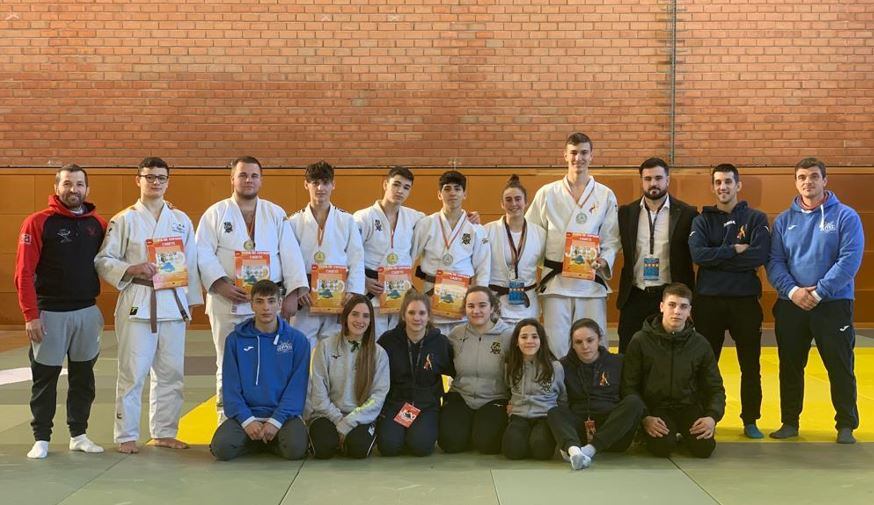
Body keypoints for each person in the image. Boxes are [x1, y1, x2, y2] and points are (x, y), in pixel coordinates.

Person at [95, 157, 203, 454]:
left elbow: (191, 264)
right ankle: (126, 434)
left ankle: (165, 431)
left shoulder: (181, 219)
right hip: (138, 303)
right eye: (149, 177)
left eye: (161, 177)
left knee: (171, 373)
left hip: (173, 303)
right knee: (132, 372)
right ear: (138, 180)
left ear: (168, 181)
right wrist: (131, 269)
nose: (155, 182)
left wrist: (191, 303)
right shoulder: (124, 219)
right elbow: (103, 260)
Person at [196, 156, 308, 420]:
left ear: (261, 179)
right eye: (243, 175)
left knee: (270, 360)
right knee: (227, 361)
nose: (248, 180)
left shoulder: (275, 213)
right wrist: (220, 284)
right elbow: (201, 253)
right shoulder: (215, 213)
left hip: (268, 302)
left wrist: (292, 294)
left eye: (254, 175)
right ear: (232, 179)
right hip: (228, 300)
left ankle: (270, 417)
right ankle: (227, 419)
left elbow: (290, 253)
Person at [767, 158, 864, 444]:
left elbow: (849, 261)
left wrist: (820, 292)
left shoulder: (846, 217)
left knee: (839, 365)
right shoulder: (784, 221)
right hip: (791, 304)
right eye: (801, 177)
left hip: (833, 305)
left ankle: (845, 425)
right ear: (795, 182)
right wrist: (794, 291)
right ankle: (790, 422)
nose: (807, 182)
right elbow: (774, 262)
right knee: (790, 365)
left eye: (813, 176)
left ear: (825, 180)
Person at [15, 164, 107, 459]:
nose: (73, 190)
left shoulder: (98, 224)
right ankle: (41, 437)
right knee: (45, 378)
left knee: (83, 378)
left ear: (87, 189)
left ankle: (78, 434)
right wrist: (31, 314)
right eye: (67, 184)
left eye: (79, 184)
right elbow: (24, 272)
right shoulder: (38, 222)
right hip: (49, 314)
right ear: (57, 188)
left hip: (87, 313)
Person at [689, 163, 770, 439]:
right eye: (718, 183)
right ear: (713, 187)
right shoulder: (701, 220)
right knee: (704, 364)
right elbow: (698, 256)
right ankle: (702, 417)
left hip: (745, 302)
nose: (722, 187)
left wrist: (717, 258)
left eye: (727, 182)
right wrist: (733, 250)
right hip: (708, 302)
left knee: (751, 364)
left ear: (738, 185)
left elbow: (758, 256)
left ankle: (750, 419)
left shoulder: (756, 219)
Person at [526, 132, 620, 356]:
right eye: (574, 153)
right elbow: (532, 234)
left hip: (590, 283)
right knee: (556, 345)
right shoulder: (547, 193)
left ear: (592, 156)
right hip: (556, 281)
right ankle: (557, 390)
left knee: (592, 344)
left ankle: (595, 389)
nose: (579, 158)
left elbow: (612, 237)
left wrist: (604, 260)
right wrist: (545, 263)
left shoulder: (605, 195)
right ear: (565, 156)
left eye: (584, 153)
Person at [621, 283, 725, 458]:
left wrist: (711, 417)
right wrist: (645, 418)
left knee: (704, 449)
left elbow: (715, 387)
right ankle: (653, 435)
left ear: (689, 310)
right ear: (662, 307)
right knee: (662, 448)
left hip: (688, 406)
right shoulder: (640, 340)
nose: (677, 311)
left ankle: (682, 434)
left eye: (683, 306)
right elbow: (628, 386)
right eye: (672, 305)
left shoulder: (700, 344)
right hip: (656, 409)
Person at [210, 280, 310, 461]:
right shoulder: (235, 340)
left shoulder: (297, 341)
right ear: (251, 304)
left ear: (280, 304)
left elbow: (297, 388)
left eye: (271, 301)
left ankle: (264, 440)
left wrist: (276, 420)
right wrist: (247, 420)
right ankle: (259, 440)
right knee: (221, 449)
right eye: (260, 301)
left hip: (283, 416)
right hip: (247, 415)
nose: (266, 308)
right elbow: (231, 388)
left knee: (295, 449)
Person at [617, 157, 697, 353]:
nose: (653, 183)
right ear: (642, 181)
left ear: (668, 180)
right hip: (634, 294)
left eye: (659, 178)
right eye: (648, 178)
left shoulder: (687, 213)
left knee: (669, 355)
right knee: (628, 354)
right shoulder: (626, 213)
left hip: (669, 295)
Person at [547, 319, 645, 470]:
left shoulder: (618, 362)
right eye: (578, 342)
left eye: (590, 340)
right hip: (579, 433)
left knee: (634, 401)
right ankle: (574, 451)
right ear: (572, 344)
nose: (585, 346)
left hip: (613, 434)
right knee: (553, 411)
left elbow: (630, 392)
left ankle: (589, 451)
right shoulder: (563, 365)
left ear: (599, 339)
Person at [288, 160, 365, 351]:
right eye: (315, 183)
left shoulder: (347, 220)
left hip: (338, 297)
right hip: (306, 297)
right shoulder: (294, 221)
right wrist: (298, 288)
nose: (320, 188)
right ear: (306, 185)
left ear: (333, 184)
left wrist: (353, 293)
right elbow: (289, 260)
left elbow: (356, 258)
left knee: (335, 350)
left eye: (325, 182)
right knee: (302, 349)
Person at [306, 295, 390, 459]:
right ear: (346, 316)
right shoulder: (325, 347)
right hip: (327, 415)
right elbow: (318, 392)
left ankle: (346, 441)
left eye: (366, 316)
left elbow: (378, 396)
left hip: (360, 418)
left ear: (371, 321)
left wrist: (350, 421)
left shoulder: (379, 353)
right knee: (322, 449)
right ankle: (336, 441)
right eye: (355, 314)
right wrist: (338, 420)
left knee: (358, 449)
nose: (360, 320)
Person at [412, 170, 490, 336]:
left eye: (457, 188)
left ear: (465, 194)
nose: (452, 193)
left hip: (462, 299)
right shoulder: (426, 224)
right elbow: (409, 258)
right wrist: (410, 291)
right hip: (431, 295)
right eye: (447, 189)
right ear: (439, 194)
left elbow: (483, 267)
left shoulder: (475, 228)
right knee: (433, 351)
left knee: (460, 352)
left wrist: (479, 301)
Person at [377, 290, 455, 456]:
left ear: (428, 316)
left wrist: (446, 398)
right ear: (404, 315)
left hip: (426, 405)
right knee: (389, 447)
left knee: (421, 447)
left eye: (422, 313)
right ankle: (400, 433)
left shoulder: (440, 343)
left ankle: (414, 433)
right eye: (411, 312)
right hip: (395, 403)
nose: (416, 318)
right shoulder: (388, 341)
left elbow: (455, 372)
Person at [439, 286, 514, 454]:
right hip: (461, 395)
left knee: (487, 445)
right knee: (450, 444)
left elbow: (518, 372)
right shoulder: (456, 335)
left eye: (482, 305)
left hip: (494, 398)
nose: (476, 311)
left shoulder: (507, 336)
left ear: (492, 307)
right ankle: (467, 429)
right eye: (471, 306)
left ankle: (478, 430)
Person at [353, 166, 425, 337]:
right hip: (372, 290)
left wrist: (467, 217)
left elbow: (441, 223)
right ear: (385, 184)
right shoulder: (363, 217)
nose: (400, 191)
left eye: (406, 187)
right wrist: (363, 280)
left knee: (398, 344)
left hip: (399, 292)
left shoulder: (415, 217)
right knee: (373, 343)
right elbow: (349, 254)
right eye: (396, 185)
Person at [484, 175, 546, 325]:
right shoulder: (487, 231)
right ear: (502, 204)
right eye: (508, 200)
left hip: (527, 305)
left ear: (526, 202)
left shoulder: (540, 234)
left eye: (518, 199)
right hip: (497, 304)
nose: (514, 204)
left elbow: (545, 265)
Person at [501, 319, 565, 461]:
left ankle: (535, 438)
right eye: (524, 337)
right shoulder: (510, 365)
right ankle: (524, 438)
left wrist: (559, 417)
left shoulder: (555, 367)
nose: (529, 341)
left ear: (541, 340)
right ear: (516, 341)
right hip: (519, 415)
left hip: (545, 416)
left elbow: (562, 396)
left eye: (534, 337)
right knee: (512, 451)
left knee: (541, 450)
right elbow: (507, 388)